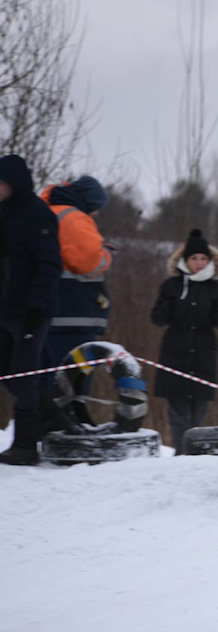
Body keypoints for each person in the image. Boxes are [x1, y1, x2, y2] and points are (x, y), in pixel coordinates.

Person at [0, 155, 63, 465]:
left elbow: (49, 265)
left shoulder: (37, 214)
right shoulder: (4, 213)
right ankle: (53, 419)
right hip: (5, 309)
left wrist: (36, 306)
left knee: (23, 376)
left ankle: (25, 446)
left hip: (29, 311)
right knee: (6, 372)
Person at [150, 229, 218, 454]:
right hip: (174, 354)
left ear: (210, 260)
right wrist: (168, 304)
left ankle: (192, 456)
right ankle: (181, 454)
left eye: (203, 258)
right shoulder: (171, 286)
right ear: (184, 260)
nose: (198, 263)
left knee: (197, 414)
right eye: (194, 258)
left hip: (204, 356)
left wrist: (217, 308)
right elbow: (157, 319)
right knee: (178, 415)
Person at [40, 176, 114, 365]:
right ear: (88, 201)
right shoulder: (74, 218)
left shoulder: (45, 211)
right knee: (72, 385)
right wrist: (105, 253)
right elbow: (89, 262)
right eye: (96, 207)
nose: (96, 213)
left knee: (41, 382)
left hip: (45, 314)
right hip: (73, 315)